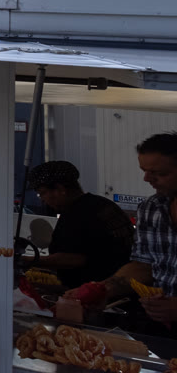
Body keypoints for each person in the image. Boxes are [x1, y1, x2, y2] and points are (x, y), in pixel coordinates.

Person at [88, 134, 177, 331]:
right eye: (144, 171)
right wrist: (101, 290)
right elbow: (143, 266)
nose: (147, 179)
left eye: (160, 173)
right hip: (160, 325)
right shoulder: (151, 208)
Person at [24, 159, 133, 283]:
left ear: (60, 189)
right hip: (120, 282)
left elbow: (72, 259)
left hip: (98, 288)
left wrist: (27, 260)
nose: (42, 200)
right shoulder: (102, 203)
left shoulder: (77, 214)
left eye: (42, 193)